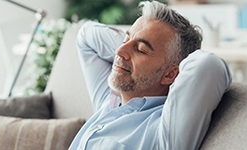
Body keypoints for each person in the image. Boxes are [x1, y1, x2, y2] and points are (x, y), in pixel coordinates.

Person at [69, 1, 232, 150]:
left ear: (170, 74)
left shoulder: (164, 133)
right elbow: (86, 36)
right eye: (125, 40)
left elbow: (207, 65)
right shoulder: (110, 101)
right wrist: (132, 44)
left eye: (141, 49)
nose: (118, 51)